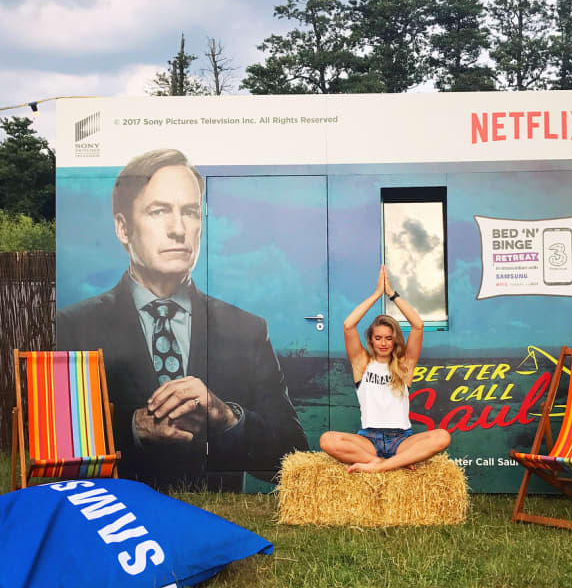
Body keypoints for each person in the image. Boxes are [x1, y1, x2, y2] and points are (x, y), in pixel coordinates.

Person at [57, 148, 307, 491]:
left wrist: (226, 417)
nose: (178, 229)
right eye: (159, 211)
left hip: (213, 514)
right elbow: (62, 441)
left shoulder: (248, 330)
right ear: (123, 228)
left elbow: (293, 456)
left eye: (189, 212)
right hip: (120, 505)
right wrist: (132, 428)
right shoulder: (74, 326)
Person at [320, 265, 451, 473]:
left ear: (394, 340)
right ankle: (387, 463)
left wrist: (392, 294)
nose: (383, 343)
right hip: (368, 440)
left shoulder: (404, 365)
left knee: (442, 436)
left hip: (401, 439)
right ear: (371, 341)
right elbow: (348, 325)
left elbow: (418, 325)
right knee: (327, 440)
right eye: (378, 338)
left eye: (389, 338)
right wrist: (376, 294)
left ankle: (378, 466)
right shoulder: (362, 363)